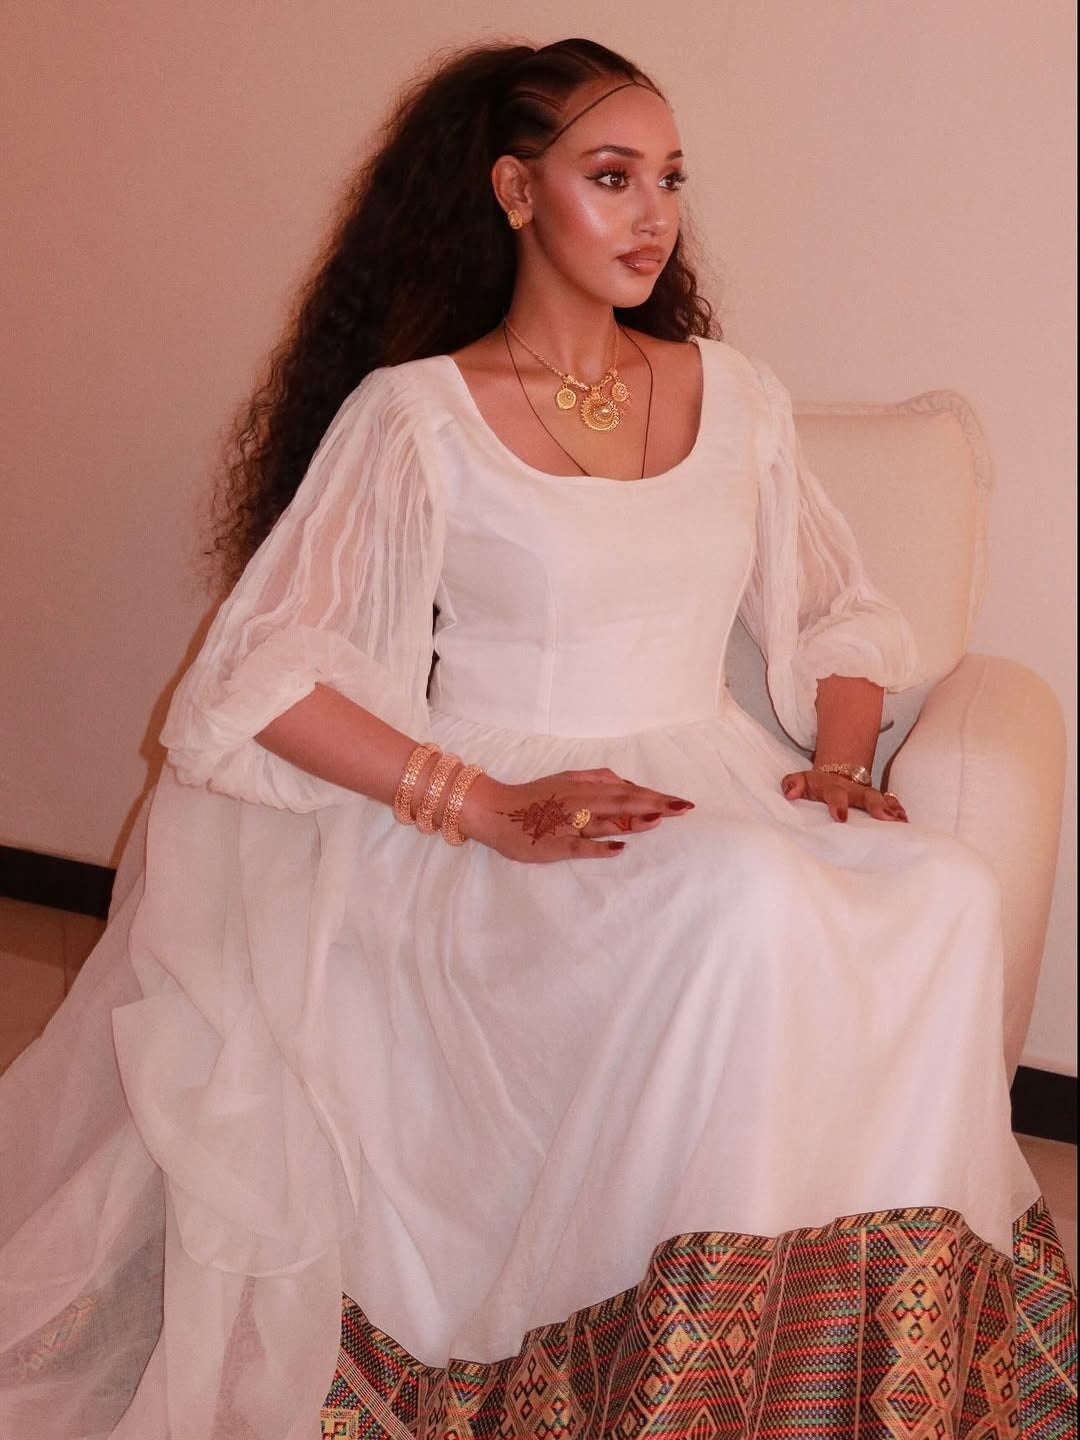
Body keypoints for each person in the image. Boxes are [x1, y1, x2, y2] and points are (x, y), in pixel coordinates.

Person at [0, 36, 1074, 1440]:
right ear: (515, 191)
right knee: (745, 906)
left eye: (669, 180)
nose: (652, 216)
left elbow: (839, 615)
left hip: (711, 772)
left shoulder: (732, 395)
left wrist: (841, 761)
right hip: (505, 809)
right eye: (610, 176)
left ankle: (875, 1372)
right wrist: (486, 802)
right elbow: (255, 679)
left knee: (941, 893)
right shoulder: (419, 417)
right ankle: (684, 1374)